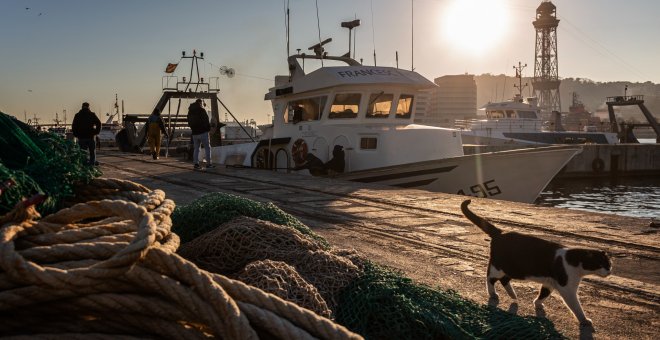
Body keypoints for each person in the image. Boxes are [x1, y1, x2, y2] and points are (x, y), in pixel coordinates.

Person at [187, 99, 214, 169]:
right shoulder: (202, 110)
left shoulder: (190, 111)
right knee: (207, 148)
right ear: (200, 103)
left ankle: (196, 164)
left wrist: (193, 129)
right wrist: (208, 129)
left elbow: (189, 122)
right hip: (203, 132)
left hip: (194, 133)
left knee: (196, 149)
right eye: (202, 103)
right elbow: (206, 120)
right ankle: (208, 164)